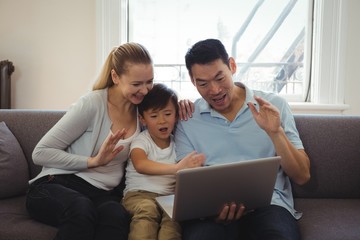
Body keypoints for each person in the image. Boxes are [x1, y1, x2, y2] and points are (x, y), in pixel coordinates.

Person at [26, 42, 192, 240]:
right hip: (56, 185)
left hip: (101, 194)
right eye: (136, 84)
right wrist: (93, 161)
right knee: (81, 209)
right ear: (115, 77)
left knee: (116, 216)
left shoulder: (141, 109)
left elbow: (163, 112)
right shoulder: (92, 104)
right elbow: (40, 152)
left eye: (149, 81)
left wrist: (182, 103)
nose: (145, 90)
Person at [174, 39, 311, 240]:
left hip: (269, 206)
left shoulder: (274, 106)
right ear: (193, 81)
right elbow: (185, 183)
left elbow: (302, 176)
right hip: (212, 214)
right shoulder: (187, 119)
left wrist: (275, 132)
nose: (214, 90)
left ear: (232, 66)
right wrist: (211, 209)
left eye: (220, 78)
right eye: (203, 83)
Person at [122, 83, 205, 240]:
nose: (162, 121)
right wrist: (176, 168)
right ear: (143, 119)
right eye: (154, 116)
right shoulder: (142, 140)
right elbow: (140, 164)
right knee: (148, 209)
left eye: (168, 114)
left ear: (176, 115)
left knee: (173, 220)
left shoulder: (179, 144)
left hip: (169, 198)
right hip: (138, 195)